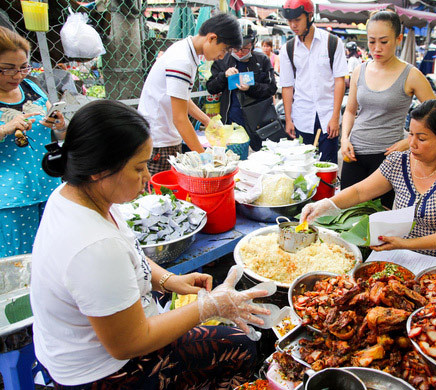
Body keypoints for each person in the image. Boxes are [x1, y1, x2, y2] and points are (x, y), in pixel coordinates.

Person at [31, 100, 270, 389]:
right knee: (242, 348)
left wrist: (169, 280)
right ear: (98, 170)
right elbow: (129, 343)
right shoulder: (94, 247)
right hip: (106, 373)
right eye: (139, 167)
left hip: (100, 346)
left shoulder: (77, 194)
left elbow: (130, 255)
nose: (147, 177)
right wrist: (210, 307)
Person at [302, 100, 436, 265]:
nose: (412, 143)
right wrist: (326, 204)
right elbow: (360, 191)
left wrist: (404, 243)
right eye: (410, 134)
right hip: (405, 252)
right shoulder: (399, 161)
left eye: (421, 138)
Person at [340, 11, 436, 209]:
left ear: (398, 39)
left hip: (388, 157)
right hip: (354, 153)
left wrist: (409, 142)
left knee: (378, 218)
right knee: (345, 213)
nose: (377, 48)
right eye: (372, 41)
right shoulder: (360, 70)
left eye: (384, 42)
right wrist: (344, 139)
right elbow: (350, 111)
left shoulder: (411, 75)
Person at [139, 13, 243, 176]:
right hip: (159, 141)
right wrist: (206, 163)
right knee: (162, 197)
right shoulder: (182, 61)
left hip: (163, 137)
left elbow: (182, 99)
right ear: (212, 38)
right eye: (223, 49)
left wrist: (208, 122)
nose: (222, 56)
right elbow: (180, 118)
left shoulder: (185, 52)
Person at [0, 26, 65, 257]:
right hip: (11, 200)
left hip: (48, 186)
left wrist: (59, 126)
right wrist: (5, 129)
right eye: (7, 70)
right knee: (19, 261)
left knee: (53, 256)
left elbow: (55, 134)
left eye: (23, 67)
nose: (17, 76)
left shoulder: (31, 88)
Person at [280, 0, 347, 163]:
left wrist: (335, 116)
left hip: (327, 116)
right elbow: (287, 86)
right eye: (290, 21)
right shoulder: (288, 49)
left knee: (327, 167)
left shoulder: (332, 43)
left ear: (310, 16)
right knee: (303, 166)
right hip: (302, 116)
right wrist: (288, 119)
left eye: (297, 20)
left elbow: (340, 81)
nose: (293, 25)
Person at [206, 24, 277, 151]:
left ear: (252, 45)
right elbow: (211, 88)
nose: (239, 53)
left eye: (244, 49)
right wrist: (224, 76)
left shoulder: (261, 61)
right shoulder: (222, 60)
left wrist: (251, 88)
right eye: (236, 49)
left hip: (257, 123)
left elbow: (271, 88)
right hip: (230, 123)